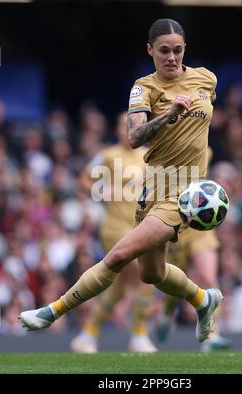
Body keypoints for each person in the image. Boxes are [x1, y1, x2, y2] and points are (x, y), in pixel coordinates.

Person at [19, 18, 223, 345]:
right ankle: (202, 299)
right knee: (152, 274)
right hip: (152, 191)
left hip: (183, 193)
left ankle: (52, 311)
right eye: (164, 51)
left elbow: (203, 128)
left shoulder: (206, 79)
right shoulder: (144, 87)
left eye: (178, 50)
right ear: (150, 50)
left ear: (185, 49)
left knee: (116, 258)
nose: (172, 57)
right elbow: (133, 136)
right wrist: (168, 115)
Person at [70, 112, 156, 353]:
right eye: (124, 125)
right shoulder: (107, 155)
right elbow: (83, 181)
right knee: (145, 276)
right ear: (117, 130)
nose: (129, 130)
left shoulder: (147, 156)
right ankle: (139, 335)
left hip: (141, 228)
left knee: (118, 286)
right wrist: (101, 188)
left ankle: (88, 334)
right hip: (115, 228)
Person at [156, 227, 232, 351]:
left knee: (208, 278)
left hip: (199, 224)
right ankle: (166, 314)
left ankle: (212, 335)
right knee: (175, 288)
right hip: (174, 228)